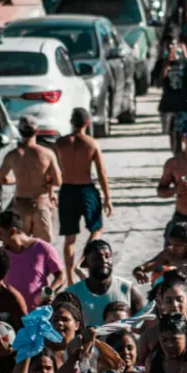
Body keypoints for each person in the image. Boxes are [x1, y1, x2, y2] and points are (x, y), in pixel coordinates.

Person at [54, 107, 113, 281]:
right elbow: (101, 172)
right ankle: (83, 260)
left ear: (71, 122)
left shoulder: (60, 143)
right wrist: (108, 198)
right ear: (87, 123)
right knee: (97, 229)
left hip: (67, 190)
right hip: (86, 189)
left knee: (69, 238)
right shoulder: (91, 143)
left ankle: (71, 279)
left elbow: (55, 168)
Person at [0, 115, 62, 242]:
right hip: (41, 204)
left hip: (20, 205)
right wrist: (46, 181)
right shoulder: (47, 154)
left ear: (19, 132)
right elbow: (58, 181)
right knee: (43, 247)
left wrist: (17, 180)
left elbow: (0, 180)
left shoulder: (12, 155)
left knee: (20, 246)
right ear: (37, 131)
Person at [0, 210, 64, 311]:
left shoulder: (43, 248)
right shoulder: (1, 254)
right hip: (12, 313)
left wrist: (50, 291)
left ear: (13, 231)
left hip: (39, 313)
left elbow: (61, 275)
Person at [66, 239, 144, 326]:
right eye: (97, 257)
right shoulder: (72, 293)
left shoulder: (129, 289)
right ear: (87, 261)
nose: (104, 260)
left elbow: (142, 328)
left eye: (107, 256)